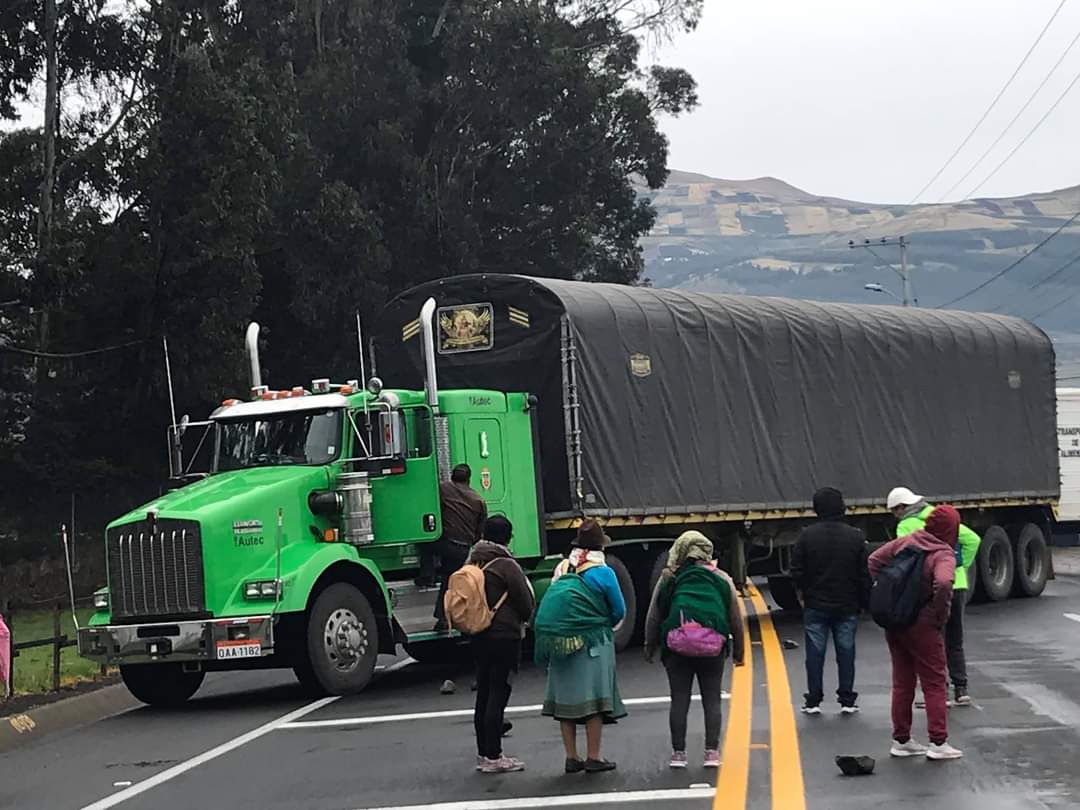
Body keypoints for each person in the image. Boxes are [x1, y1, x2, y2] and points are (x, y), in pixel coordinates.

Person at [644, 531, 745, 769]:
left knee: (679, 699)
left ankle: (678, 754)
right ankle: (712, 752)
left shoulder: (669, 578)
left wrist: (650, 645)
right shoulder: (721, 579)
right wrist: (739, 651)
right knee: (712, 699)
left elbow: (654, 615)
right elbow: (735, 618)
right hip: (713, 648)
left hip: (677, 648)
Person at [869, 504, 963, 761]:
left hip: (896, 621)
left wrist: (888, 593)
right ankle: (938, 742)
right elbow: (943, 582)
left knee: (902, 681)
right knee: (934, 682)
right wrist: (938, 613)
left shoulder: (908, 541)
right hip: (922, 624)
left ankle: (901, 740)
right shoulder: (943, 553)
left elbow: (874, 560)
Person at [534, 520, 626, 774]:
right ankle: (594, 756)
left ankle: (571, 757)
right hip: (593, 641)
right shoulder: (603, 572)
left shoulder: (563, 567)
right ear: (600, 545)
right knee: (593, 700)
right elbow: (619, 609)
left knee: (566, 700)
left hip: (561, 641)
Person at [887, 486, 980, 706]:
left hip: (931, 587)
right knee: (955, 640)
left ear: (902, 507)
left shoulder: (907, 525)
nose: (895, 515)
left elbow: (905, 556)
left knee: (933, 641)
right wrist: (959, 564)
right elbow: (973, 540)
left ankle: (940, 691)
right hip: (958, 585)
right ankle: (961, 689)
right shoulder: (940, 517)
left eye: (894, 511)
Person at [790, 487, 871, 715]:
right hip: (847, 604)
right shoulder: (855, 536)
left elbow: (796, 570)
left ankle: (813, 700)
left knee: (815, 654)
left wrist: (802, 593)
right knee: (846, 652)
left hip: (816, 604)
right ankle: (847, 699)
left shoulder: (807, 535)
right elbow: (863, 574)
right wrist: (864, 602)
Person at [467, 515, 536, 774]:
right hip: (504, 636)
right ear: (507, 536)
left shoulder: (473, 559)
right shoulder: (506, 564)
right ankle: (495, 756)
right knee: (499, 692)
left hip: (479, 634)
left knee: (484, 692)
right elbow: (525, 602)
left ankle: (484, 753)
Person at [426, 464, 488, 631]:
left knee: (425, 541)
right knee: (450, 580)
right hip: (462, 548)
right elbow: (479, 532)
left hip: (443, 542)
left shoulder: (442, 489)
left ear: (452, 476)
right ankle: (444, 618)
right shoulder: (479, 500)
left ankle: (426, 575)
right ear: (469, 479)